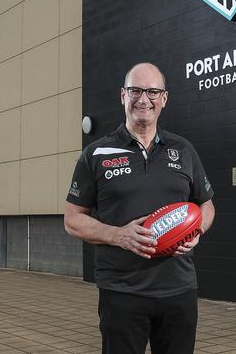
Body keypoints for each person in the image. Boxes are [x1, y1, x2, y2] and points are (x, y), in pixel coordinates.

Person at [64, 62, 215, 354]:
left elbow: (206, 205)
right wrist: (118, 235)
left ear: (164, 99)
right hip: (122, 292)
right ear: (123, 95)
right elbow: (72, 220)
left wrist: (197, 228)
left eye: (152, 91)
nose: (143, 99)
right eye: (135, 90)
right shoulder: (96, 154)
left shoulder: (183, 150)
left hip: (178, 290)